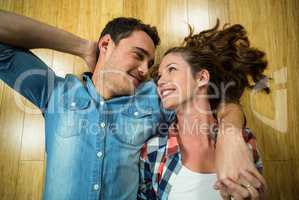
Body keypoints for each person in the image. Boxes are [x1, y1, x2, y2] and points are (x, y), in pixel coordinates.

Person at [0, 10, 265, 199]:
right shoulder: (56, 92)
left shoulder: (155, 97)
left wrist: (231, 137)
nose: (144, 70)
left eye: (150, 64)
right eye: (138, 56)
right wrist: (81, 47)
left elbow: (217, 100)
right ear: (106, 44)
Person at [139, 22, 268, 200]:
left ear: (201, 77)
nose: (160, 81)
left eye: (172, 69)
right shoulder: (153, 151)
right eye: (159, 76)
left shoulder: (244, 140)